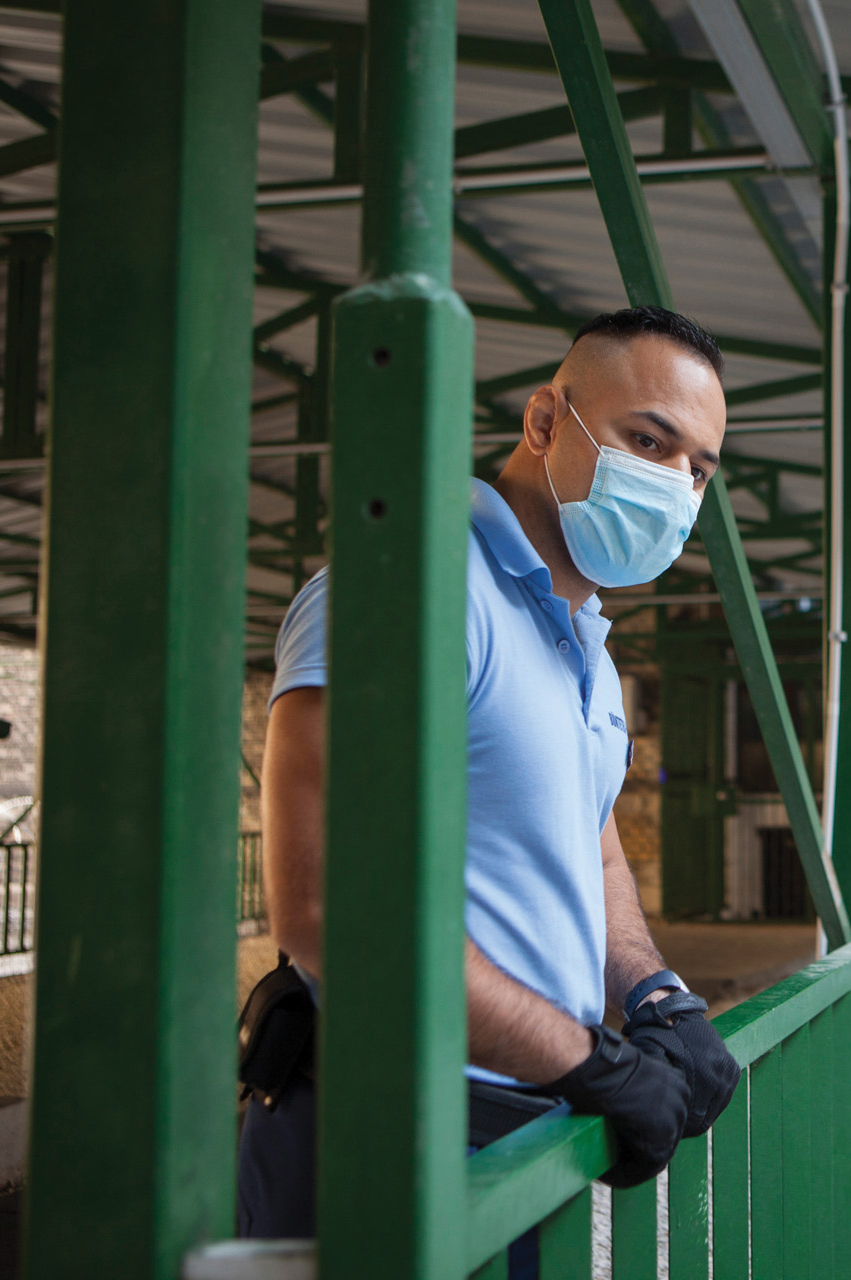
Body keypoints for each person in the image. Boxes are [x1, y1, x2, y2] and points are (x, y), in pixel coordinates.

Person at [238, 306, 742, 1252]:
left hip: (523, 1137)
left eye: (699, 469)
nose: (676, 484)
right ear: (546, 421)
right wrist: (586, 1061)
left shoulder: (585, 645)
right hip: (381, 1133)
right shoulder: (410, 592)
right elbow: (327, 910)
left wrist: (653, 995)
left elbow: (591, 852)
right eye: (649, 440)